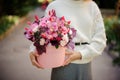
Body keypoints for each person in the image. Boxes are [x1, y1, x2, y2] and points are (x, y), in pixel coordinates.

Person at [29, 0, 107, 80]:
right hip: (61, 64)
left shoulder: (92, 7)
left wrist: (80, 54)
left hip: (85, 65)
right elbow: (42, 32)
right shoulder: (55, 6)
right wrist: (33, 50)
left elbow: (101, 41)